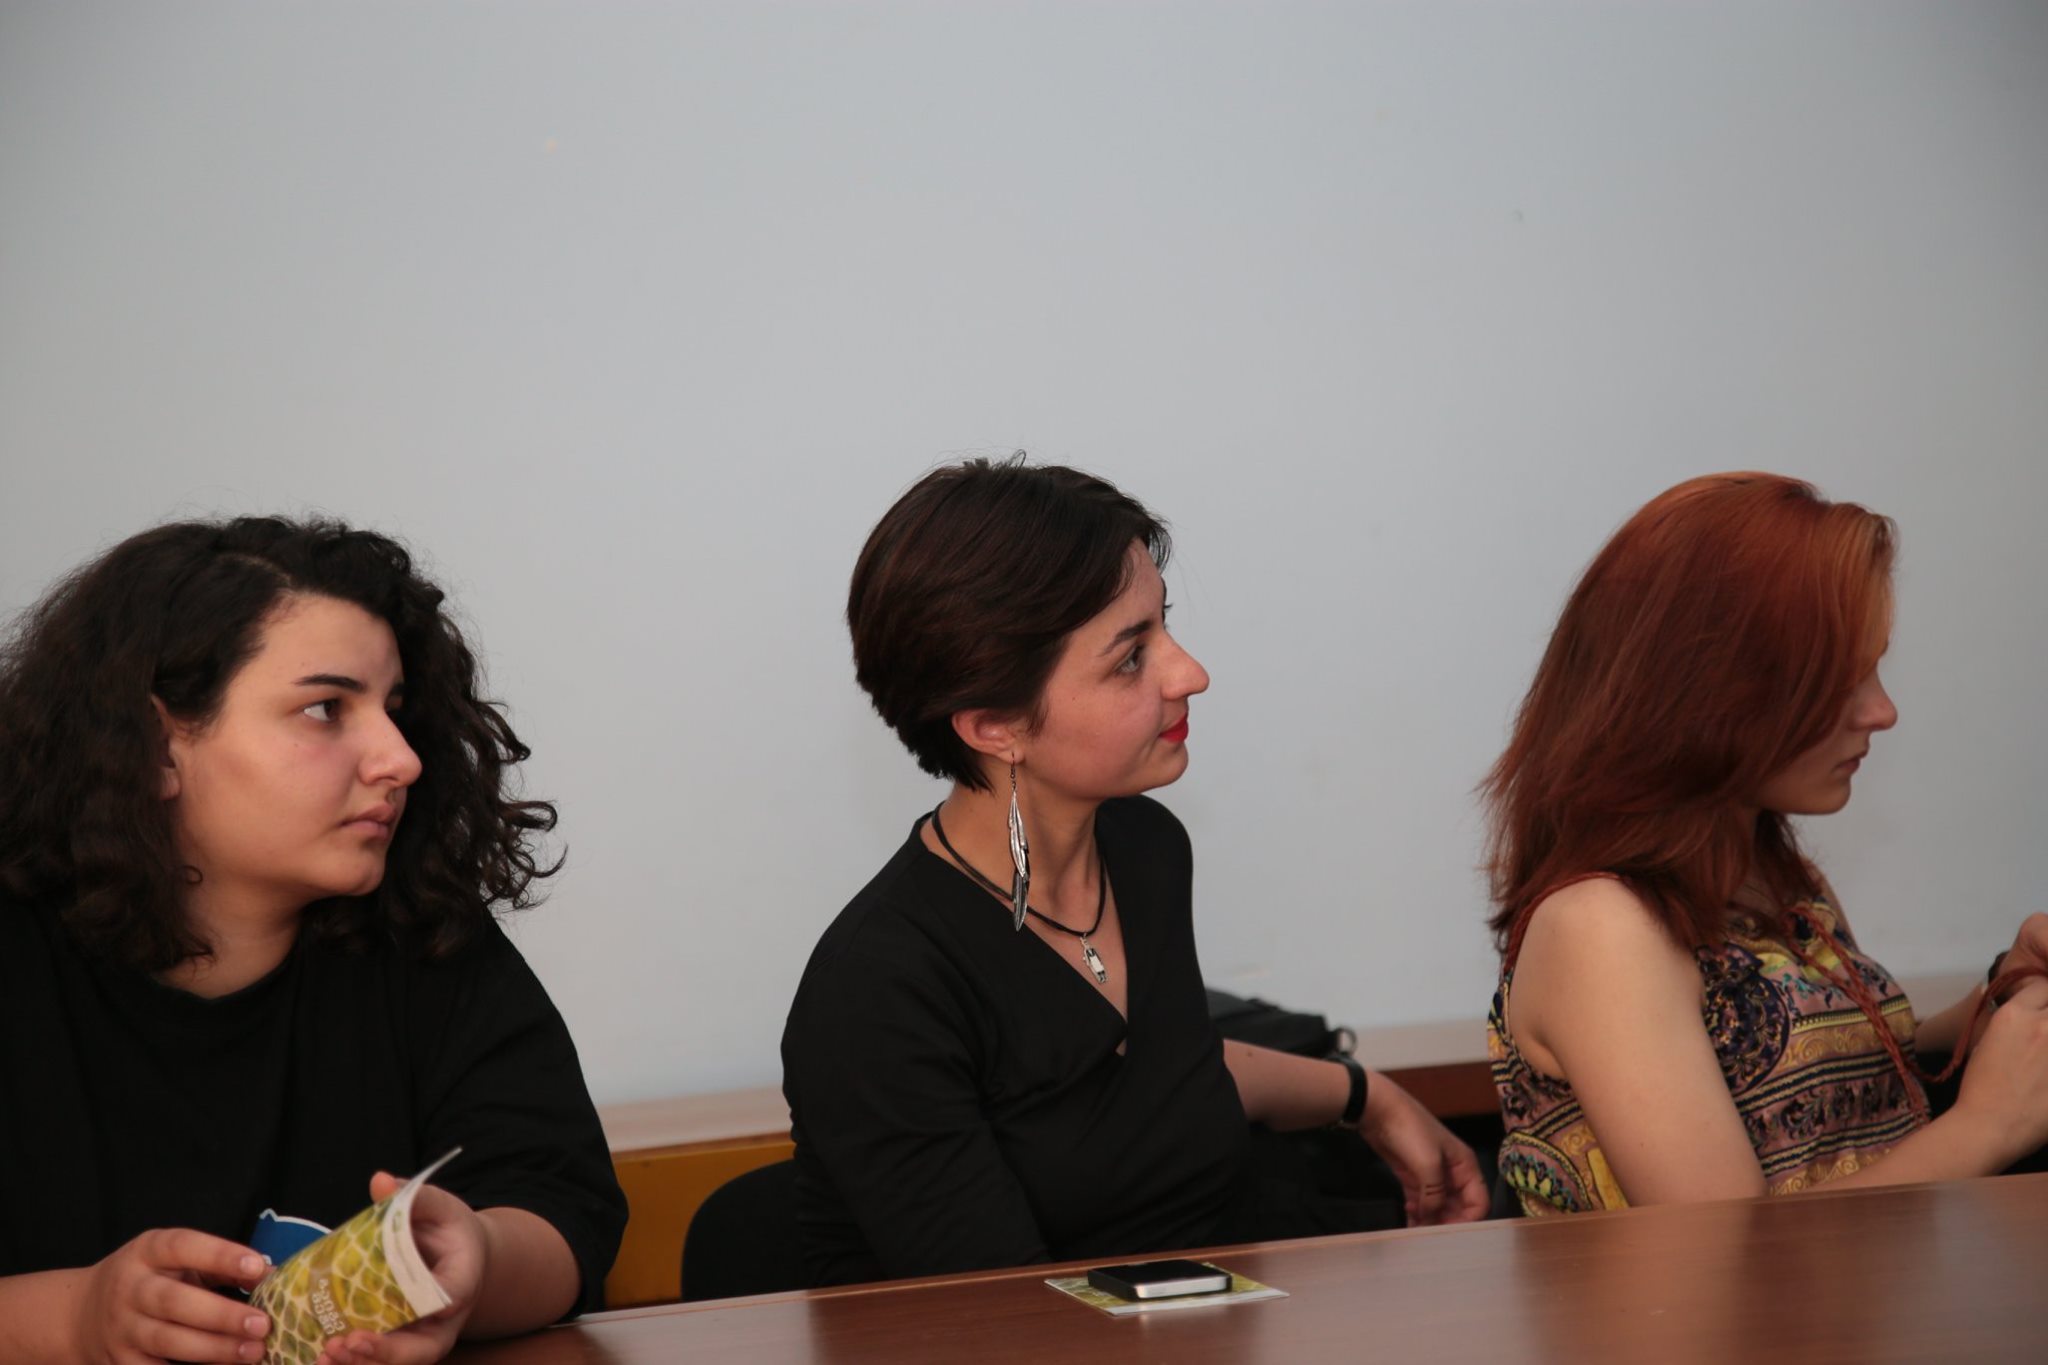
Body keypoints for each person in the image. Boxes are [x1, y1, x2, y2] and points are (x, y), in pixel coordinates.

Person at [781, 457, 1487, 1287]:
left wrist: (1368, 1096)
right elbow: (1008, 1320)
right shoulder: (879, 987)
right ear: (994, 724)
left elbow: (1163, 1075)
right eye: (1129, 657)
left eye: (1165, 626)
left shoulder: (1143, 846)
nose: (1190, 674)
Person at [0, 517, 626, 1363]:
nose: (400, 759)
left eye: (394, 710)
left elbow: (563, 1210)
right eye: (326, 709)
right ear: (154, 746)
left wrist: (472, 1262)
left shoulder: (422, 931)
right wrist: (75, 1320)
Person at [1484, 472, 2048, 1215]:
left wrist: (2003, 993)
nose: (1883, 711)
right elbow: (1726, 1248)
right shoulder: (1601, 926)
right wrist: (1989, 1125)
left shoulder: (1778, 878)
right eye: (1839, 679)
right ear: (1709, 690)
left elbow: (1851, 1090)